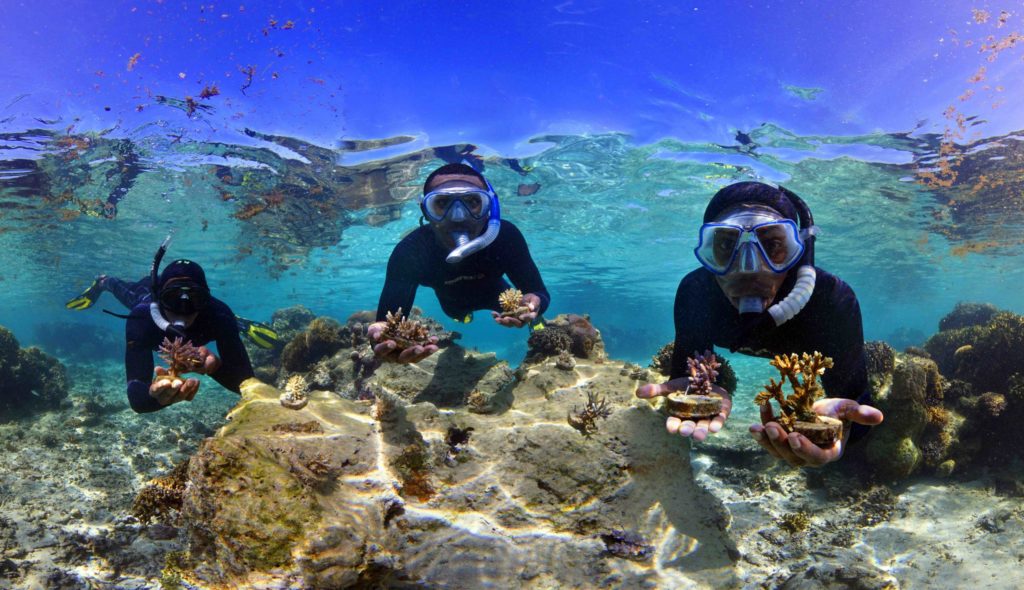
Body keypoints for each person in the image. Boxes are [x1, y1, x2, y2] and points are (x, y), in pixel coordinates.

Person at [636, 181, 883, 467]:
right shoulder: (697, 293)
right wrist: (695, 393)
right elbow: (689, 378)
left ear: (798, 252)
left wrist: (843, 435)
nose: (750, 268)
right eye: (726, 245)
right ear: (708, 253)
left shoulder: (830, 301)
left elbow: (855, 407)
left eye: (773, 245)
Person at [369, 163, 550, 363]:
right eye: (442, 203)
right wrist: (383, 341)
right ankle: (464, 318)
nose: (458, 216)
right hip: (453, 306)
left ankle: (536, 321)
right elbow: (385, 326)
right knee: (459, 316)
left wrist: (535, 304)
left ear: (490, 207)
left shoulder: (506, 237)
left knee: (523, 311)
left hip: (499, 298)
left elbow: (539, 291)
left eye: (472, 201)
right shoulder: (411, 252)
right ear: (426, 211)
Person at [66, 237, 257, 412]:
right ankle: (102, 282)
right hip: (144, 293)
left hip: (217, 313)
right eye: (173, 299)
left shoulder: (219, 315)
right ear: (160, 299)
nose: (183, 309)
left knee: (228, 319)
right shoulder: (142, 317)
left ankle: (236, 323)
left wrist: (214, 367)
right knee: (118, 288)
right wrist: (155, 398)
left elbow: (250, 387)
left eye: (194, 299)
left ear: (205, 301)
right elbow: (137, 400)